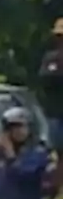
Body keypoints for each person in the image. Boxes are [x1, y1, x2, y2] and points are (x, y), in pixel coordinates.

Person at [37, 19, 63, 150]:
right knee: (57, 150)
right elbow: (45, 79)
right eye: (59, 37)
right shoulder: (51, 58)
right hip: (56, 113)